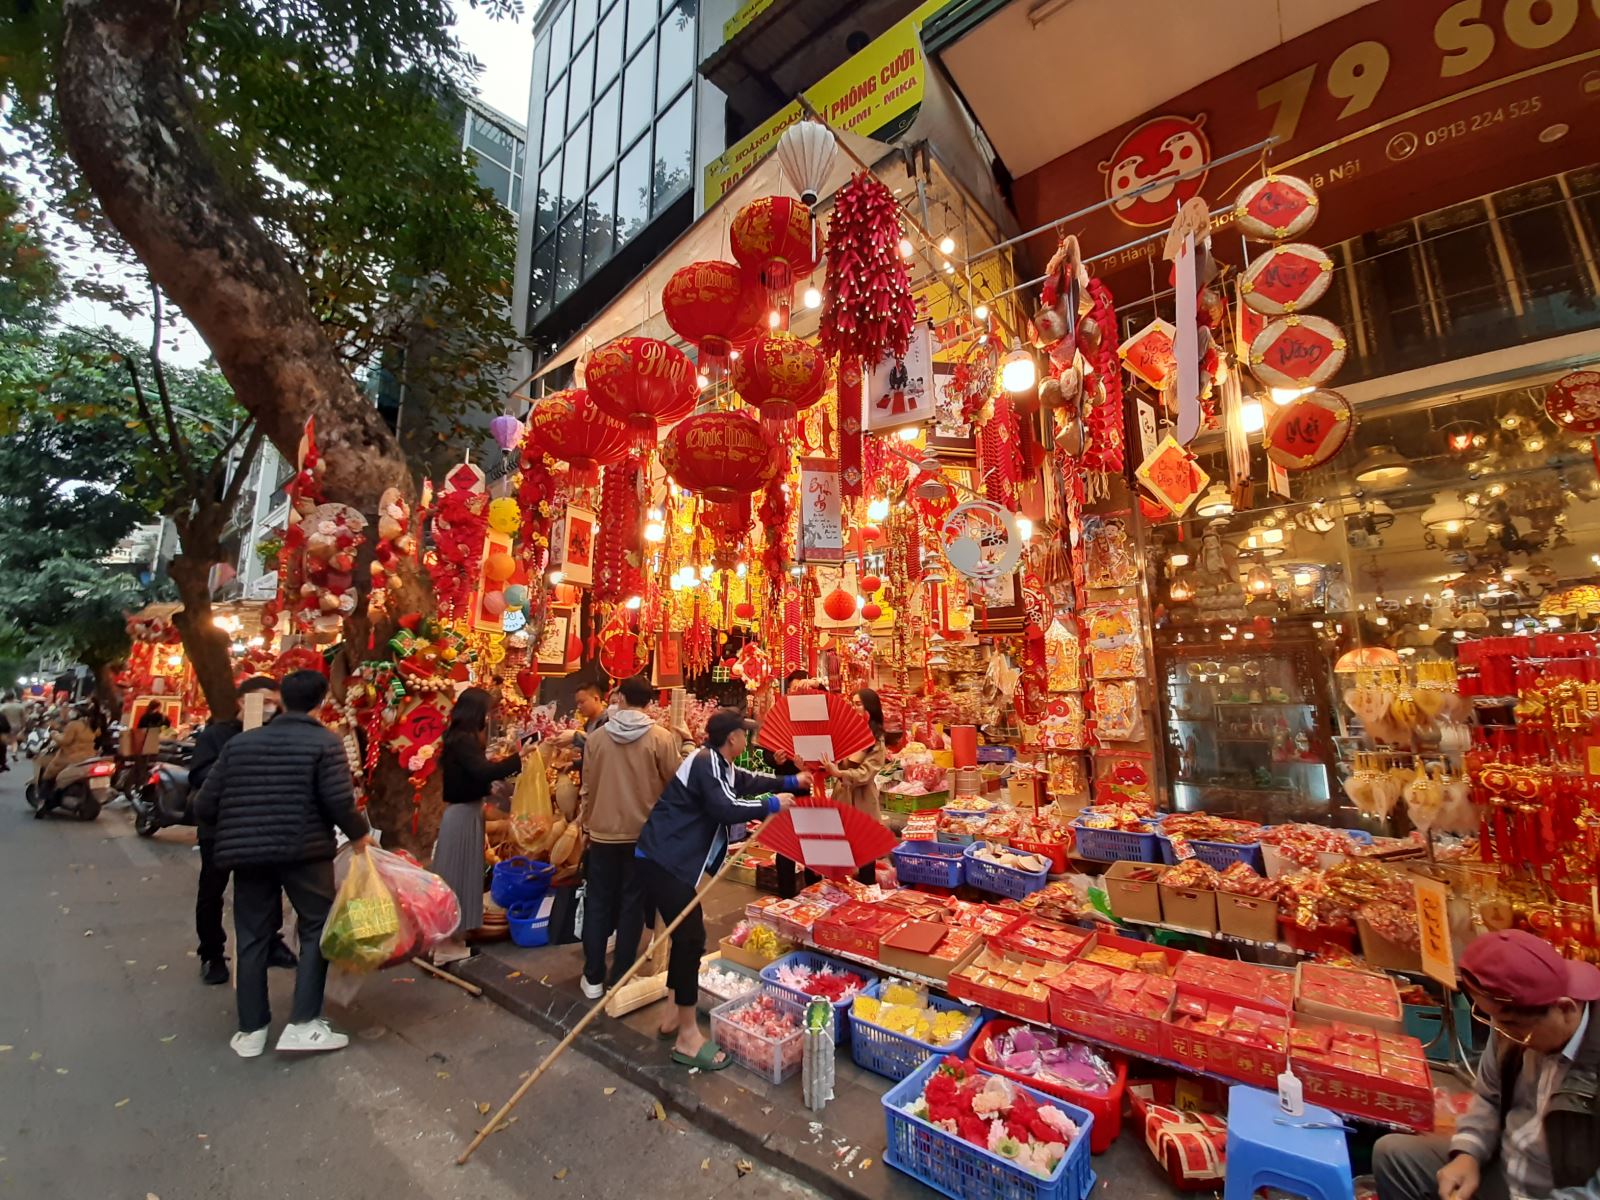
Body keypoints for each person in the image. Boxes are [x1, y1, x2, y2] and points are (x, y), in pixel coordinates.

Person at [194, 669, 372, 1058]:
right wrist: (360, 836)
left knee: (254, 935)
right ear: (322, 701)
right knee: (314, 930)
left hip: (249, 855)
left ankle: (251, 1030)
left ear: (280, 699)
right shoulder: (323, 742)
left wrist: (239, 827)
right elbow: (339, 802)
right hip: (304, 852)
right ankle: (304, 1022)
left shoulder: (241, 745)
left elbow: (204, 804)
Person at [634, 709, 807, 1070]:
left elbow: (747, 781)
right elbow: (725, 807)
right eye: (745, 734)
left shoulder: (719, 763)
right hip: (665, 858)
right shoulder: (704, 763)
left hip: (672, 859)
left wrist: (790, 783)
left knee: (687, 939)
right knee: (691, 938)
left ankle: (671, 1017)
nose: (748, 739)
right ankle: (686, 1036)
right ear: (732, 739)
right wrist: (773, 804)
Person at [1374, 929, 1600, 1200]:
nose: (1507, 1036)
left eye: (1517, 1028)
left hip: (1557, 1192)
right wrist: (1467, 1154)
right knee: (1394, 1155)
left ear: (1565, 1009)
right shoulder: (1511, 1022)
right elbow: (1489, 1097)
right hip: (1504, 1167)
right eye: (1496, 1024)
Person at [576, 675, 682, 999]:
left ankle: (592, 977)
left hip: (603, 833)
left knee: (598, 901)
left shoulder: (595, 739)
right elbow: (676, 785)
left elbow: (587, 788)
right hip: (642, 836)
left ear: (619, 697)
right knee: (631, 905)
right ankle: (620, 977)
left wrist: (585, 827)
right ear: (649, 702)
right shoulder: (661, 738)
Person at [190, 676, 295, 986]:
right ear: (242, 701)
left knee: (268, 883)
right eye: (262, 701)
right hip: (220, 829)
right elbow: (200, 776)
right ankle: (211, 953)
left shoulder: (278, 735)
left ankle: (271, 940)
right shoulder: (216, 735)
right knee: (212, 890)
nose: (269, 708)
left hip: (262, 826)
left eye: (274, 702)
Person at [433, 687, 520, 965]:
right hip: (461, 816)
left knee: (463, 875)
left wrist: (486, 785)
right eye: (487, 711)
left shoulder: (461, 738)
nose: (489, 717)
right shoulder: (463, 740)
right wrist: (519, 757)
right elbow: (482, 771)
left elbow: (472, 776)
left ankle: (453, 938)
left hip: (467, 813)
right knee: (456, 879)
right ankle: (446, 943)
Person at [817, 687, 890, 885]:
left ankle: (864, 902)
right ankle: (839, 899)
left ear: (869, 708)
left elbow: (866, 774)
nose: (853, 708)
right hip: (842, 798)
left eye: (858, 704)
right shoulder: (847, 733)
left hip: (863, 802)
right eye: (852, 703)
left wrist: (839, 773)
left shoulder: (876, 740)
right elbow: (832, 760)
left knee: (865, 857)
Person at [35, 705, 97, 818]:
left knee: (48, 777)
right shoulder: (90, 725)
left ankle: (42, 803)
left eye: (73, 711)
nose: (70, 712)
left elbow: (65, 741)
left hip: (70, 758)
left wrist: (54, 735)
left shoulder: (73, 725)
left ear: (78, 713)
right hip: (88, 757)